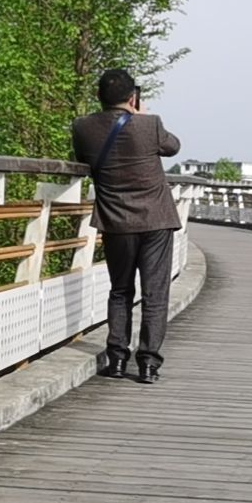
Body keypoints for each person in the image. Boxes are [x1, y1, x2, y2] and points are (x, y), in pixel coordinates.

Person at [71, 69, 182, 384]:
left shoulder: (82, 127)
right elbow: (173, 146)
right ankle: (148, 364)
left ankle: (117, 359)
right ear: (133, 97)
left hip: (116, 221)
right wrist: (141, 114)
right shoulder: (150, 124)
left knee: (120, 290)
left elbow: (83, 158)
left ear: (99, 97)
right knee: (155, 293)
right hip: (156, 220)